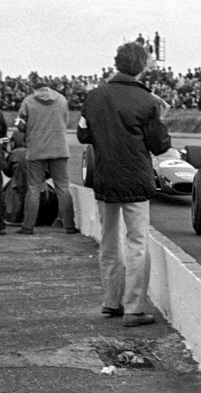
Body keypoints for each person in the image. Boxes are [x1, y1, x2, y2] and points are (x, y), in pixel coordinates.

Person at [77, 41, 171, 327]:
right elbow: (159, 145)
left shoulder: (93, 97)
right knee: (137, 243)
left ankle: (111, 301)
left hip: (105, 177)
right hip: (135, 179)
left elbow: (83, 136)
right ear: (141, 67)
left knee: (108, 242)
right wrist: (162, 118)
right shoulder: (147, 101)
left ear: (117, 63)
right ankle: (133, 308)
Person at [15, 80, 77, 235]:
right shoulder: (62, 99)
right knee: (62, 186)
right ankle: (69, 225)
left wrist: (23, 124)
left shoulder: (28, 101)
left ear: (33, 89)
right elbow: (66, 121)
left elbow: (20, 125)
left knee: (34, 188)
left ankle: (28, 226)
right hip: (59, 147)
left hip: (36, 148)